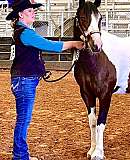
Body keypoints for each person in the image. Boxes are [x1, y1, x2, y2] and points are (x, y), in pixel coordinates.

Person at [6, 0, 84, 159]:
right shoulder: (25, 33)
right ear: (20, 15)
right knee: (23, 120)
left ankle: (20, 155)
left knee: (23, 119)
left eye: (33, 10)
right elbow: (51, 46)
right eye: (29, 11)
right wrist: (74, 43)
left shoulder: (22, 31)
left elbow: (36, 53)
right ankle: (20, 156)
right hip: (24, 80)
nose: (33, 13)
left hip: (23, 80)